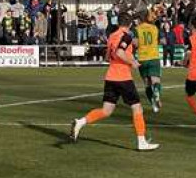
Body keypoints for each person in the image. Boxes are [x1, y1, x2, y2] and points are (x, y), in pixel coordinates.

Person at [69, 11, 160, 152]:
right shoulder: (127, 36)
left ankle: (80, 122)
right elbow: (119, 53)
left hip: (111, 77)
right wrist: (133, 61)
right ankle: (141, 141)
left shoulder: (112, 36)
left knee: (106, 110)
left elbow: (107, 56)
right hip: (122, 77)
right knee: (137, 107)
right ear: (130, 24)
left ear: (118, 23)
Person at [136, 10, 163, 113]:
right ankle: (156, 93)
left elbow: (135, 43)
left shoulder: (137, 29)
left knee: (147, 83)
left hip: (142, 58)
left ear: (140, 19)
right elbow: (161, 40)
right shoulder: (154, 28)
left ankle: (153, 104)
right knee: (156, 81)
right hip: (154, 57)